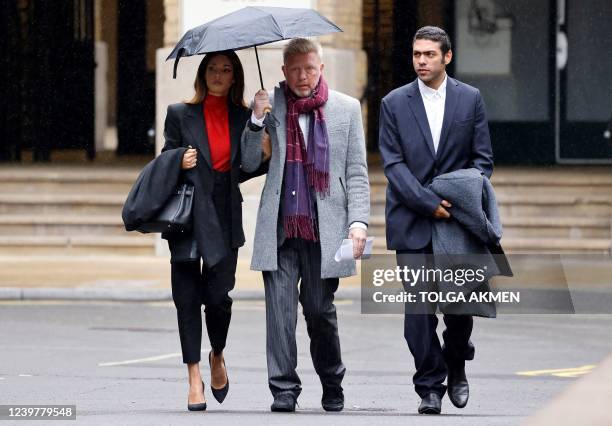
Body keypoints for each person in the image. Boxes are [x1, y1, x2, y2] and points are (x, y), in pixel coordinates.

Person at [241, 38, 370, 413]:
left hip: (323, 230)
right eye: (295, 69)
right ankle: (283, 390)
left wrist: (358, 221)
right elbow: (248, 165)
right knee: (279, 315)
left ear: (321, 68)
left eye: (309, 68)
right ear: (284, 71)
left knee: (318, 310)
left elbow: (357, 173)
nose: (302, 76)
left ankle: (332, 379)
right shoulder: (271, 106)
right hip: (280, 230)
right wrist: (255, 121)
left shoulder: (346, 109)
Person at [378, 26, 494, 415]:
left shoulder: (470, 99)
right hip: (412, 220)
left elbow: (482, 161)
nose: (422, 61)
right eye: (416, 54)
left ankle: (456, 362)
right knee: (418, 315)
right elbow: (392, 165)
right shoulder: (393, 103)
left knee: (459, 309)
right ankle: (429, 386)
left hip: (458, 223)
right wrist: (427, 202)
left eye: (429, 54)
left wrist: (462, 199)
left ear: (447, 57)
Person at [161, 50, 265, 411]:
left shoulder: (242, 116)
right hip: (188, 215)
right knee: (186, 297)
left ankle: (217, 353)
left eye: (225, 70)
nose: (218, 75)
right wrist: (178, 159)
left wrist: (258, 125)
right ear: (202, 74)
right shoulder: (179, 113)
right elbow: (164, 160)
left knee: (218, 297)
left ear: (235, 76)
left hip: (224, 212)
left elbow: (248, 167)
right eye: (212, 69)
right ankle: (193, 377)